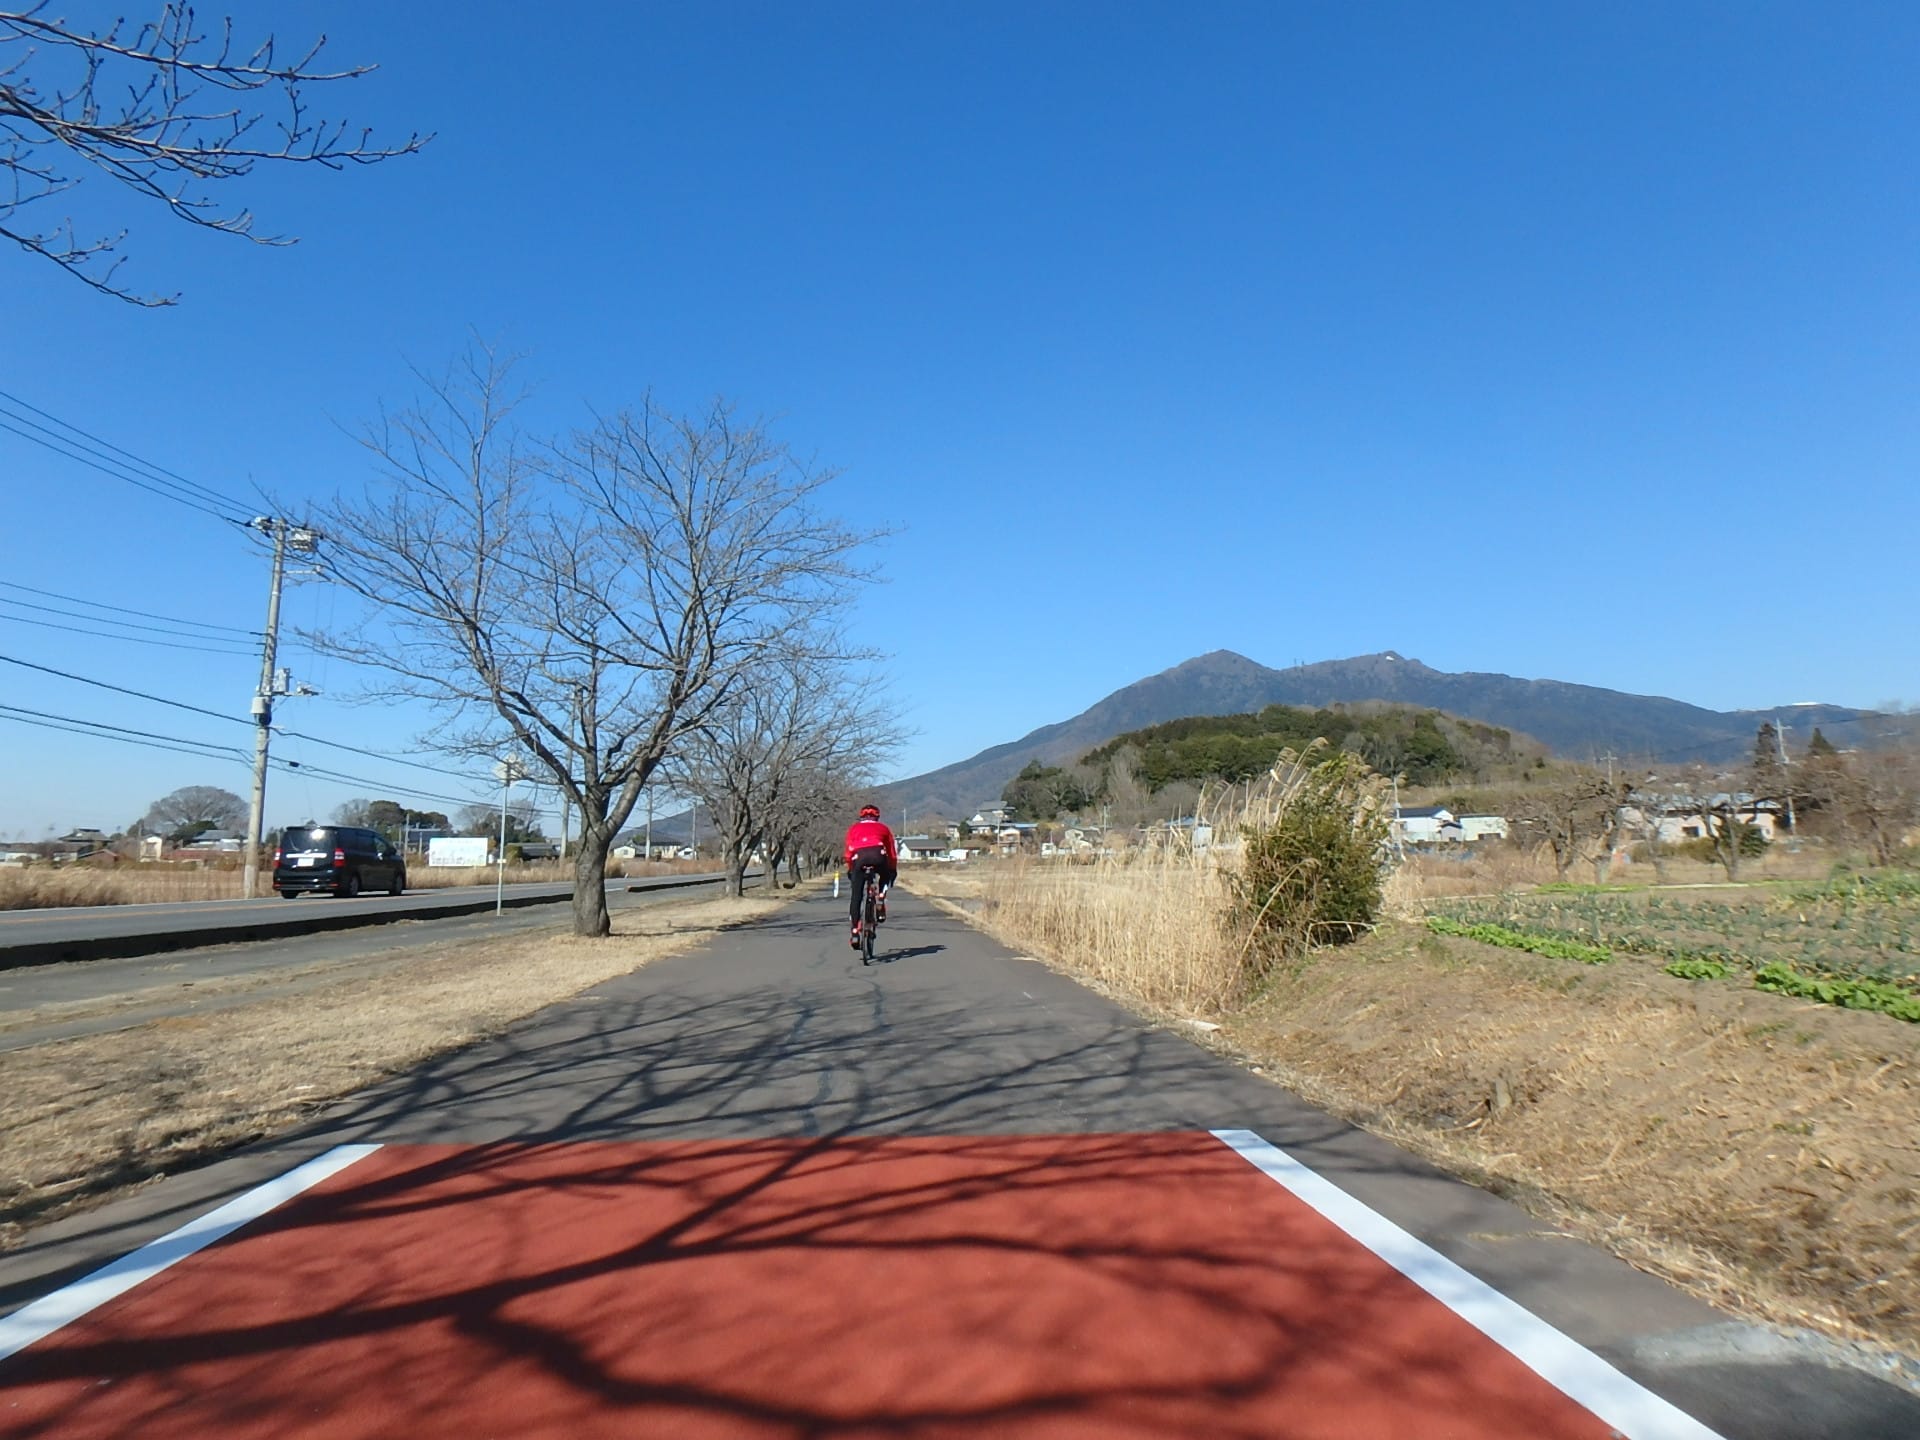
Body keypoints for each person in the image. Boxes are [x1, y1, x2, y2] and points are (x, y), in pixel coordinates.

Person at [843, 803, 898, 949]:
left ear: (861, 816)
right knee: (885, 875)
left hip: (859, 859)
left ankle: (855, 932)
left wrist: (851, 869)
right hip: (878, 856)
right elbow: (891, 852)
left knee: (856, 897)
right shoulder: (883, 828)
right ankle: (881, 896)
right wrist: (892, 869)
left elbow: (848, 853)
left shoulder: (853, 829)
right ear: (877, 817)